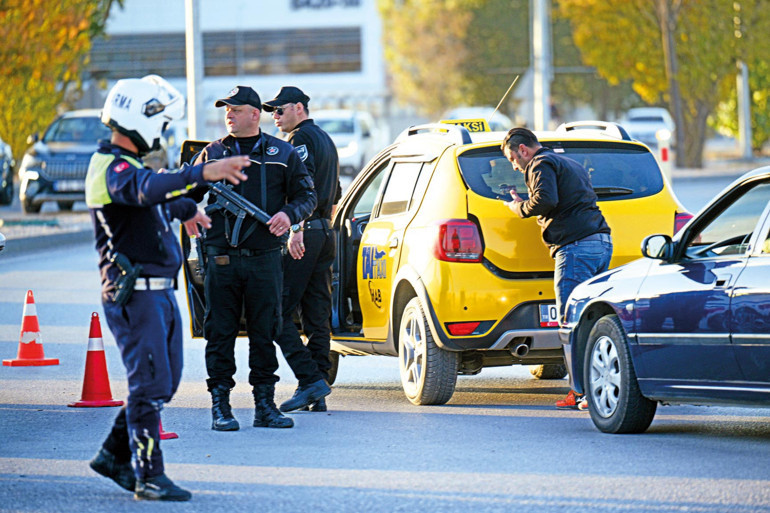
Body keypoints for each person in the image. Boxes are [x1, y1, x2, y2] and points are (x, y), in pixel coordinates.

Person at [85, 75, 251, 501]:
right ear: (137, 118)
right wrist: (202, 171)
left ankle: (112, 456)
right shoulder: (110, 167)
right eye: (158, 122)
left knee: (165, 380)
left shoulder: (131, 167)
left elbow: (158, 194)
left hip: (158, 293)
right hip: (133, 294)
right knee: (149, 383)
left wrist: (187, 207)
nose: (160, 132)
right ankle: (149, 475)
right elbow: (144, 190)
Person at [191, 86, 317, 431]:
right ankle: (220, 405)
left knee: (265, 332)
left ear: (254, 114)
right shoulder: (213, 153)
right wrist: (188, 211)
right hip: (221, 258)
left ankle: (265, 405)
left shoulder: (282, 152)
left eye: (235, 109)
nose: (229, 115)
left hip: (264, 258)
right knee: (220, 332)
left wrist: (289, 215)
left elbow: (308, 195)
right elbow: (187, 191)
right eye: (226, 110)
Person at [501, 127, 613, 411]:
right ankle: (602, 387)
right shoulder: (569, 162)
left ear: (523, 150)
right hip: (601, 243)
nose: (515, 166)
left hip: (575, 248)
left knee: (571, 322)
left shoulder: (540, 163)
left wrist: (518, 208)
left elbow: (545, 200)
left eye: (513, 159)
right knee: (594, 321)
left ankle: (581, 393)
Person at [262, 86, 341, 413]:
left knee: (276, 311)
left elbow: (302, 188)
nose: (275, 116)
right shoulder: (325, 138)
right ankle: (317, 387)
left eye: (279, 110)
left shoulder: (300, 140)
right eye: (272, 112)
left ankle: (310, 380)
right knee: (316, 314)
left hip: (305, 233)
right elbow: (334, 194)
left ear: (298, 107)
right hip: (324, 233)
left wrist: (297, 228)